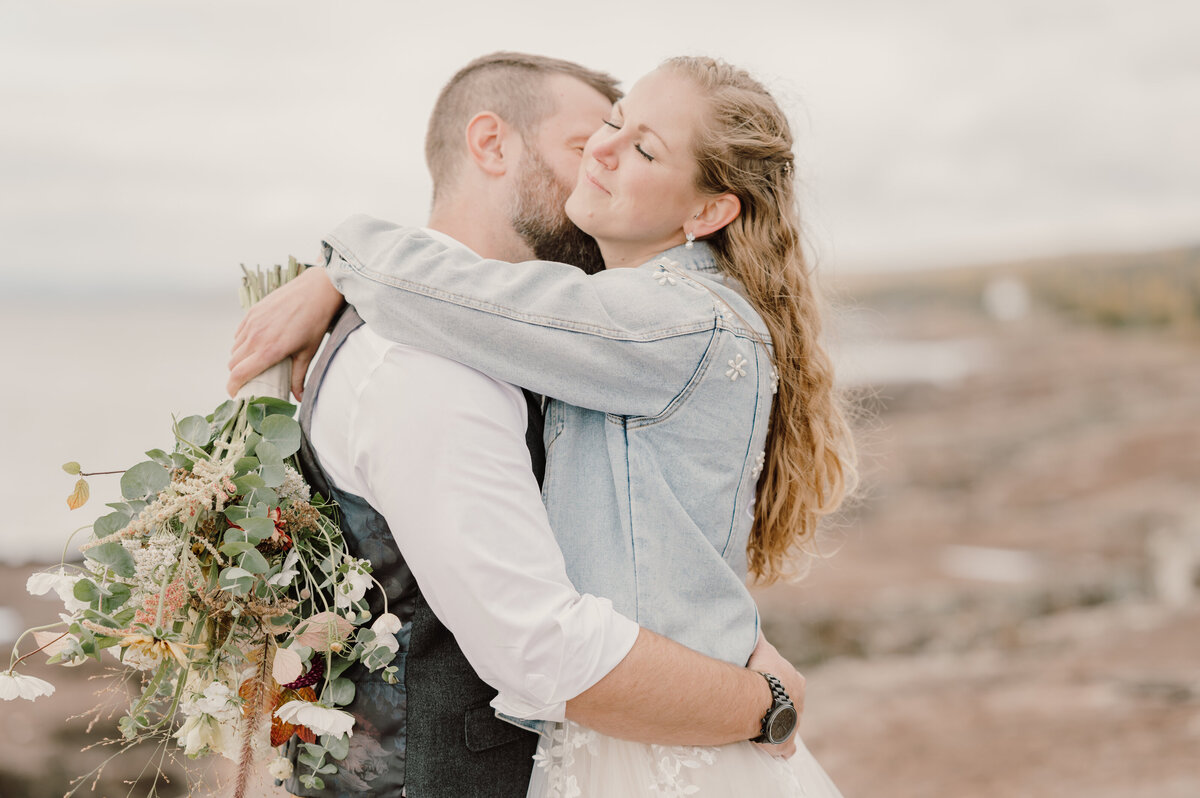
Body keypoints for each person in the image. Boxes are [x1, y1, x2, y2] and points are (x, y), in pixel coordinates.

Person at [230, 53, 812, 798]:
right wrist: (764, 701)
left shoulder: (652, 323)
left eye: (639, 146)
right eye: (597, 132)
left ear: (706, 212)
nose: (599, 158)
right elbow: (552, 639)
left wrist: (339, 261)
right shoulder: (429, 361)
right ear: (491, 145)